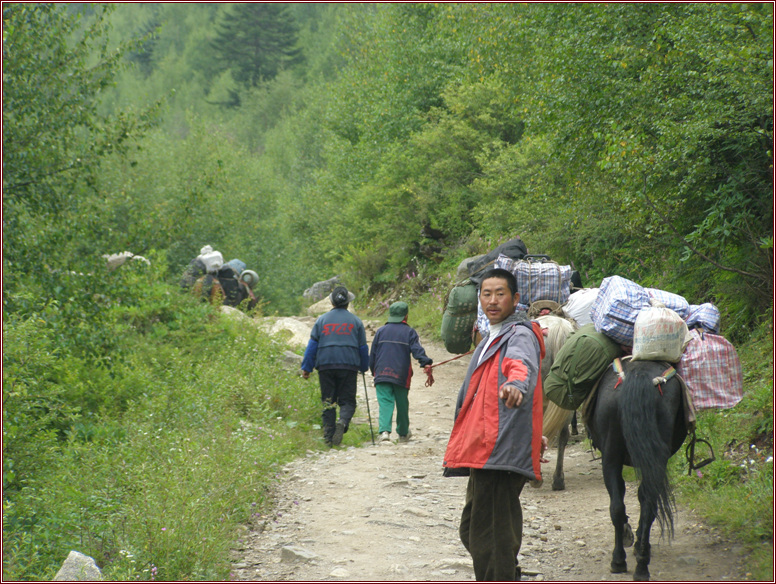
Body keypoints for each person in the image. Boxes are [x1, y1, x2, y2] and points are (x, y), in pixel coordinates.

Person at [442, 268, 547, 581]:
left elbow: (521, 364)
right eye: (486, 294)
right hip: (484, 447)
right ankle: (507, 572)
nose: (492, 300)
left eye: (500, 293)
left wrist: (516, 384)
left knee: (492, 534)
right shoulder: (492, 335)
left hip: (501, 447)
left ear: (515, 299)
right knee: (474, 528)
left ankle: (501, 575)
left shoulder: (519, 335)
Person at [301, 286, 369, 446]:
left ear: (331, 302)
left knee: (328, 401)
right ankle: (343, 422)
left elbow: (312, 346)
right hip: (349, 364)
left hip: (325, 364)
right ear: (348, 303)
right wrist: (364, 366)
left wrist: (307, 367)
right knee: (347, 401)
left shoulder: (321, 320)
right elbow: (363, 348)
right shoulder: (356, 321)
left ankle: (328, 437)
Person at [369, 301, 434, 443]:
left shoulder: (380, 331)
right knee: (402, 403)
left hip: (381, 373)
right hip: (401, 374)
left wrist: (374, 371)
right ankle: (403, 433)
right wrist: (425, 363)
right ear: (406, 315)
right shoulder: (409, 332)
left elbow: (373, 354)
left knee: (385, 402)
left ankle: (384, 432)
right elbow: (417, 350)